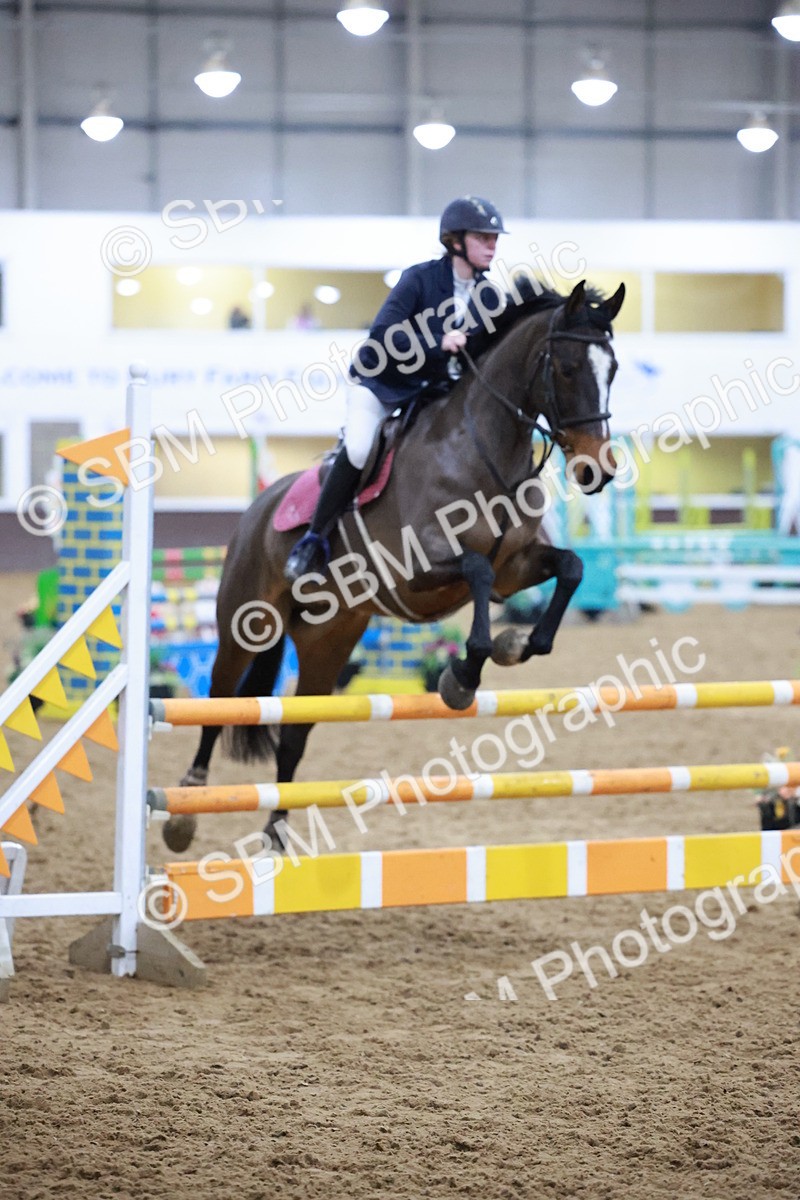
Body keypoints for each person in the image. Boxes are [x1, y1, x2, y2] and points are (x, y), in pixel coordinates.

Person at [284, 195, 508, 582]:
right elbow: (383, 335)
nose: (492, 245)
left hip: (430, 394)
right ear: (455, 241)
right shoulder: (419, 279)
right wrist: (437, 341)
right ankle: (314, 540)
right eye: (482, 237)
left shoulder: (490, 297)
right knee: (357, 449)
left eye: (494, 238)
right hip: (380, 386)